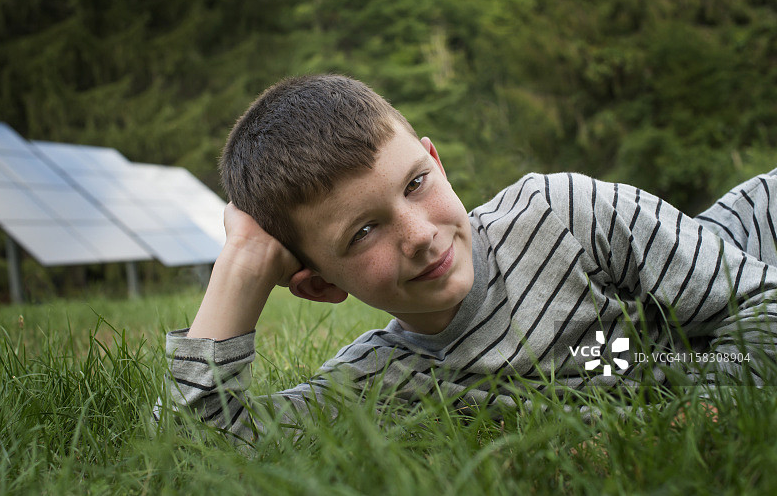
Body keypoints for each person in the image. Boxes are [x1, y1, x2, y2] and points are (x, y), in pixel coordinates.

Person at [158, 74, 777, 443]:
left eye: (416, 184)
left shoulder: (562, 214)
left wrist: (693, 415)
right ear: (319, 284)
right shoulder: (385, 381)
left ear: (436, 159)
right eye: (364, 231)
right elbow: (190, 445)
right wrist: (243, 261)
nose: (422, 236)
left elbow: (760, 303)